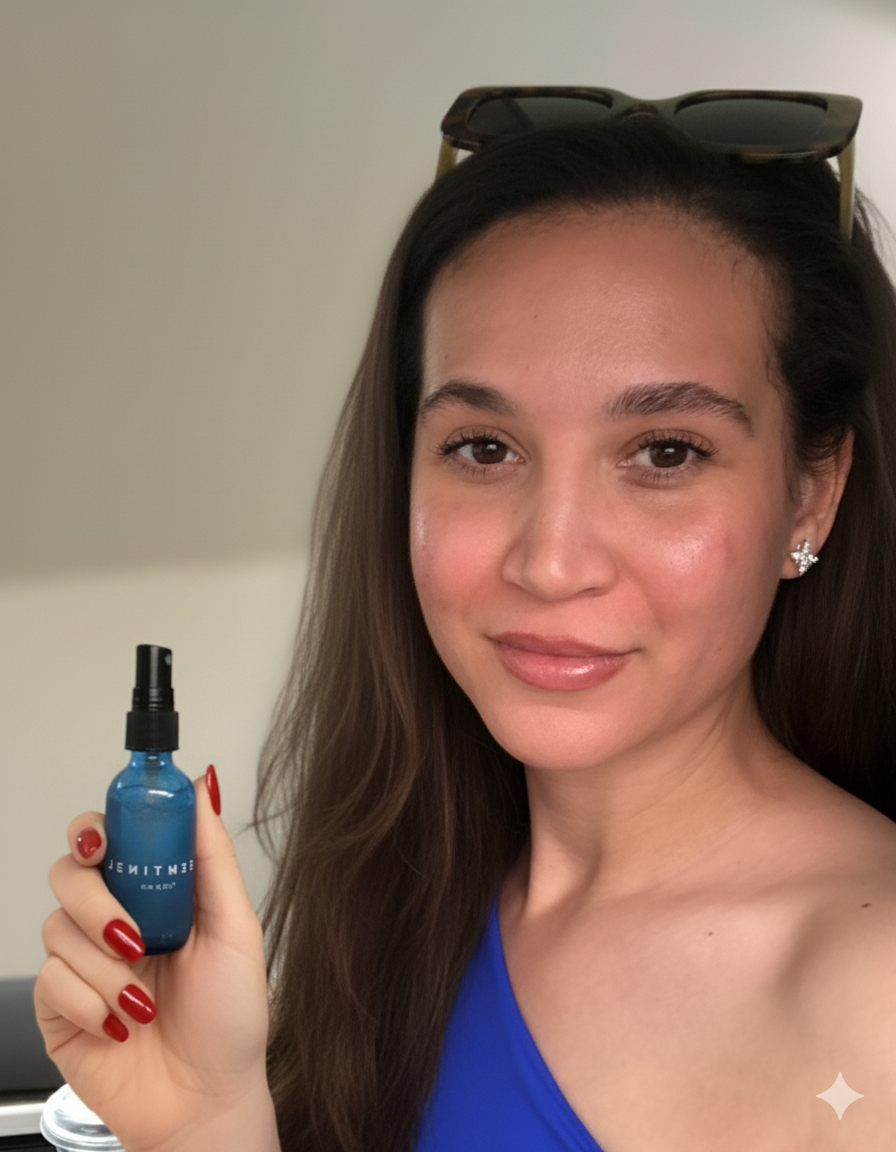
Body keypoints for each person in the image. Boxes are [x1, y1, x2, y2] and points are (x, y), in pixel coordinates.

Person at [35, 89, 896, 1152]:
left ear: (810, 495)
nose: (549, 561)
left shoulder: (874, 998)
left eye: (665, 452)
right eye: (483, 448)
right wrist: (204, 1120)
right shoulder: (407, 899)